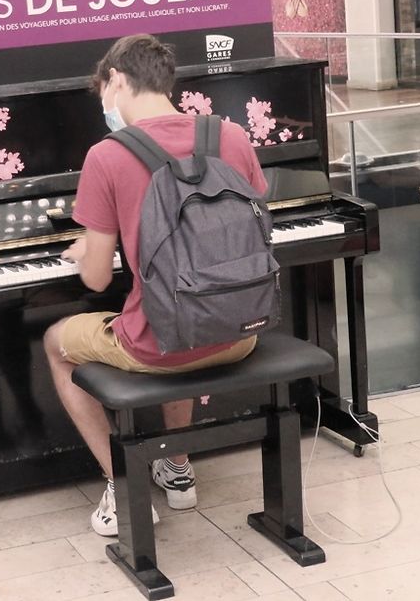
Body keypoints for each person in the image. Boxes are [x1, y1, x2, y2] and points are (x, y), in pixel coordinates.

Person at [43, 34, 268, 537]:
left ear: (117, 79)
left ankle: (124, 488)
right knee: (182, 312)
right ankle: (178, 465)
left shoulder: (108, 154)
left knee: (58, 343)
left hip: (159, 347)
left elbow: (98, 279)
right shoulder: (229, 135)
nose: (106, 104)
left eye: (104, 91)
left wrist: (93, 244)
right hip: (240, 331)